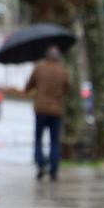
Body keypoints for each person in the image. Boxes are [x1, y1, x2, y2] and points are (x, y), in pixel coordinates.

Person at [24, 46, 70, 180]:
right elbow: (67, 87)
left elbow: (28, 86)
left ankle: (40, 165)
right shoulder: (63, 71)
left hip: (41, 109)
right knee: (54, 142)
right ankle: (54, 170)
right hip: (56, 110)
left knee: (38, 139)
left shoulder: (39, 68)